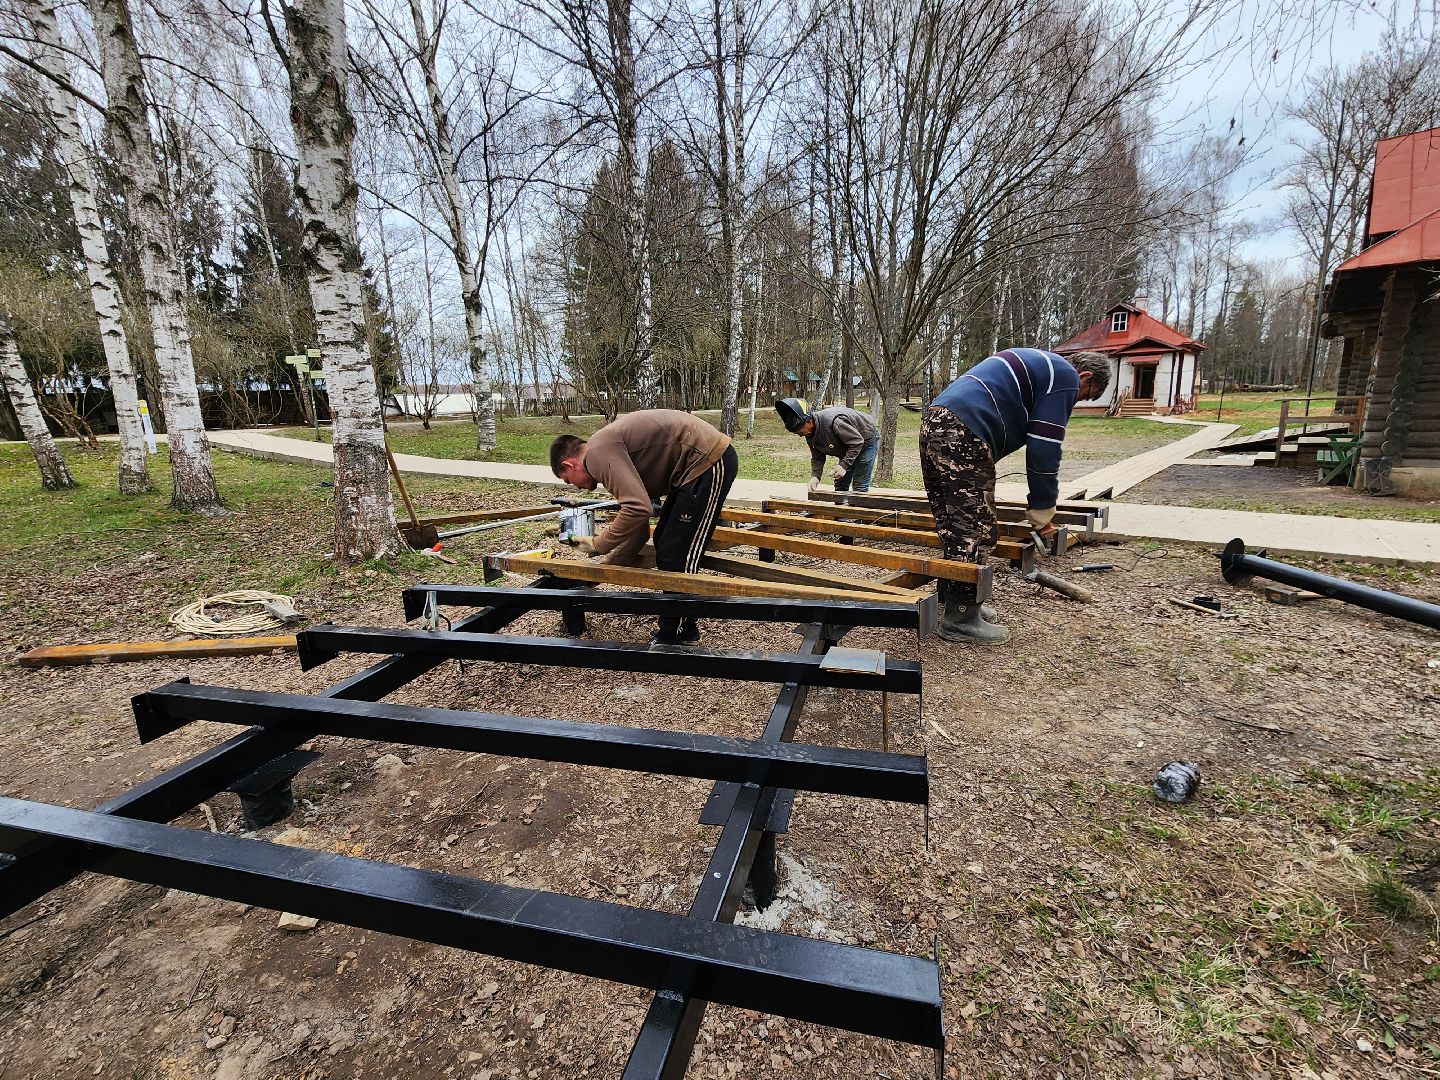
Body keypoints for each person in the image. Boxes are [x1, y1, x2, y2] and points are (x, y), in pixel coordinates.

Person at [920, 348, 1110, 645]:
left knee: (952, 522)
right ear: (1084, 377)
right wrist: (1043, 513)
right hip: (963, 429)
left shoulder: (1041, 365)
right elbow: (1044, 449)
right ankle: (961, 618)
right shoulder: (1065, 377)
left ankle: (954, 598)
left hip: (935, 419)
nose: (1075, 402)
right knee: (975, 528)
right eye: (1085, 396)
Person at [549, 409, 738, 646]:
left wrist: (598, 544)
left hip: (710, 460)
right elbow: (638, 526)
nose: (575, 488)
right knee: (664, 541)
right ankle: (685, 630)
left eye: (568, 480)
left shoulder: (597, 454)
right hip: (692, 469)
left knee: (678, 553)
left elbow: (638, 508)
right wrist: (606, 567)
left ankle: (673, 635)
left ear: (569, 464)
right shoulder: (604, 453)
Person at [774, 397, 878, 501]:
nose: (801, 436)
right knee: (841, 485)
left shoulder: (836, 422)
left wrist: (844, 465)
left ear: (809, 422)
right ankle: (841, 510)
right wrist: (815, 476)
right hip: (848, 444)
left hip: (865, 441)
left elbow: (857, 442)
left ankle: (858, 509)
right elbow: (817, 456)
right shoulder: (810, 433)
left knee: (859, 487)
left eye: (801, 432)